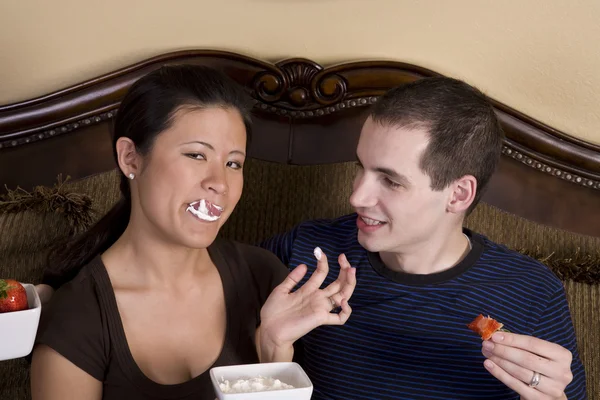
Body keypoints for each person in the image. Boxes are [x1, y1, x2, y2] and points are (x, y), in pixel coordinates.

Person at [30, 65, 356, 400]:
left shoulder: (264, 277)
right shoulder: (79, 315)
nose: (220, 182)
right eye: (197, 155)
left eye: (233, 163)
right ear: (131, 159)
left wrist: (273, 353)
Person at [260, 77, 587, 399]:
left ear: (458, 194)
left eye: (390, 180)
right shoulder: (308, 250)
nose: (357, 196)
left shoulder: (533, 293)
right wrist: (268, 346)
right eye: (360, 167)